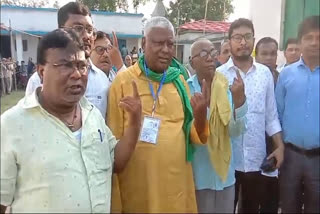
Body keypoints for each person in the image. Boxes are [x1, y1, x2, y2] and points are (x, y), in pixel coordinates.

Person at [0, 28, 141, 213]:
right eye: (65, 65)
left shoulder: (92, 115)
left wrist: (135, 123)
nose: (77, 74)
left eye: (82, 66)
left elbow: (116, 162)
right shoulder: (11, 125)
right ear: (42, 71)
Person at [108, 17, 209, 213]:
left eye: (170, 44)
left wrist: (200, 116)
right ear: (144, 43)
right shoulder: (123, 82)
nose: (166, 49)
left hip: (176, 188)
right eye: (158, 43)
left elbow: (195, 137)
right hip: (139, 189)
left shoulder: (179, 81)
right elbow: (113, 144)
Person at [218, 18, 284, 213]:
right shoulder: (219, 75)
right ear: (229, 41)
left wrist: (280, 146)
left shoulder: (264, 74)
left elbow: (271, 116)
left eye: (247, 37)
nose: (243, 42)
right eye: (237, 37)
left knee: (250, 209)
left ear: (254, 40)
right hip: (227, 162)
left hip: (256, 161)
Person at [25, 2, 126, 116]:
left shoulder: (102, 80)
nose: (87, 36)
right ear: (61, 31)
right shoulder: (39, 80)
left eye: (89, 30)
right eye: (78, 28)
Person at [188, 38, 248, 213]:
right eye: (204, 54)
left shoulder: (226, 87)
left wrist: (239, 103)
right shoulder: (185, 89)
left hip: (224, 178)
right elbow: (185, 134)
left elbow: (235, 132)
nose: (210, 58)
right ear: (192, 62)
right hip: (198, 177)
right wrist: (202, 113)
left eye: (213, 53)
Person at [276, 16, 319, 214]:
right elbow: (277, 114)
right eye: (309, 37)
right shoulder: (286, 74)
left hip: (318, 158)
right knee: (288, 206)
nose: (314, 42)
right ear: (300, 41)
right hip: (290, 156)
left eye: (319, 37)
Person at [255, 36, 280, 213]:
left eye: (273, 54)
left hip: (275, 143)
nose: (269, 58)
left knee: (271, 197)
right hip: (255, 143)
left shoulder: (282, 79)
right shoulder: (250, 78)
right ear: (256, 56)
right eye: (264, 54)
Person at [88, 30, 118, 117]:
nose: (105, 54)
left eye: (109, 49)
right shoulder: (83, 80)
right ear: (90, 52)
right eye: (100, 50)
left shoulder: (118, 77)